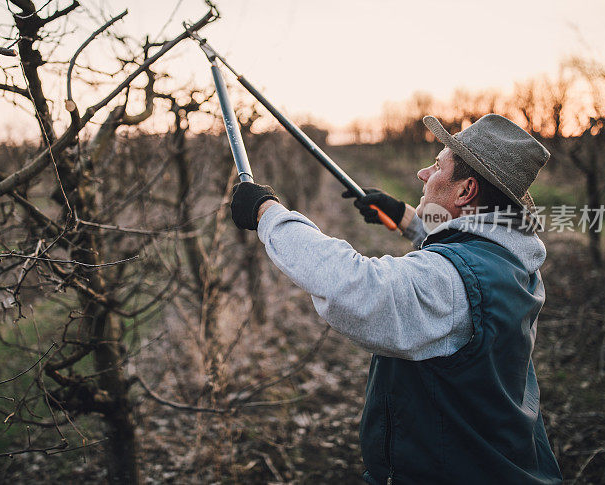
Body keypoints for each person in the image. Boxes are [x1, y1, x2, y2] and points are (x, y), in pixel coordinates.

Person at [229, 114, 563, 484]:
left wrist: (268, 214)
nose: (422, 173)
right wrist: (406, 219)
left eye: (437, 166)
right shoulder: (511, 259)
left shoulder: (450, 282)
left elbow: (356, 287)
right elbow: (465, 256)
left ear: (465, 192)